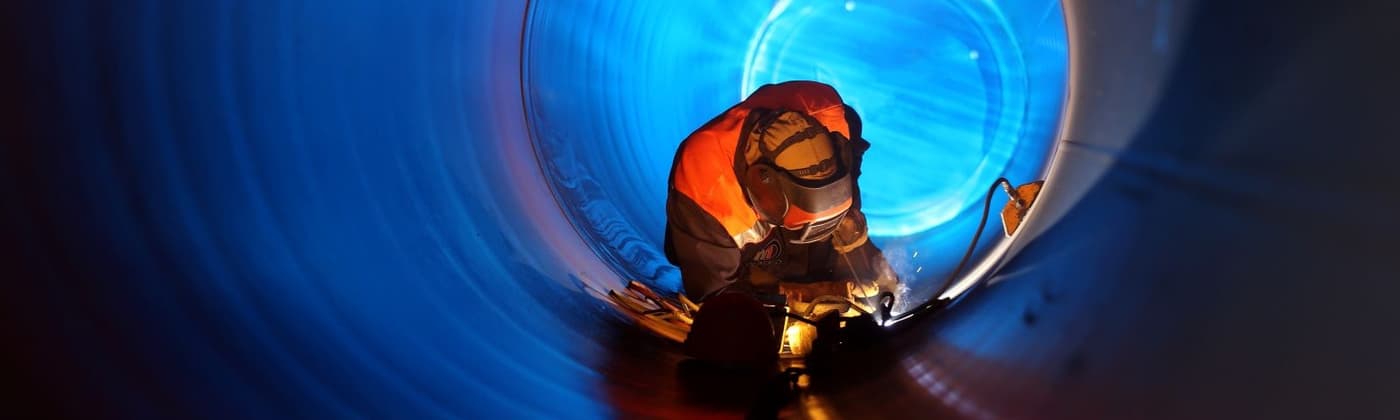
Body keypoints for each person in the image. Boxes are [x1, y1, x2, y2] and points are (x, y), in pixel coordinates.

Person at [664, 81, 900, 315]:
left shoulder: (834, 119)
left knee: (838, 241)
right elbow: (719, 301)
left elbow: (848, 199)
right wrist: (806, 296)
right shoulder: (703, 188)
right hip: (728, 252)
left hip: (782, 213)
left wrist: (861, 249)